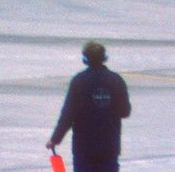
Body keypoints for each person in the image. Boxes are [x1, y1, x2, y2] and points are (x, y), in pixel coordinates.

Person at [47, 40, 131, 171]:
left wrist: (55, 139)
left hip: (84, 148)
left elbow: (68, 115)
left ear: (85, 59)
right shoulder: (116, 80)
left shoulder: (78, 81)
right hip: (109, 146)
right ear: (104, 58)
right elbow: (125, 112)